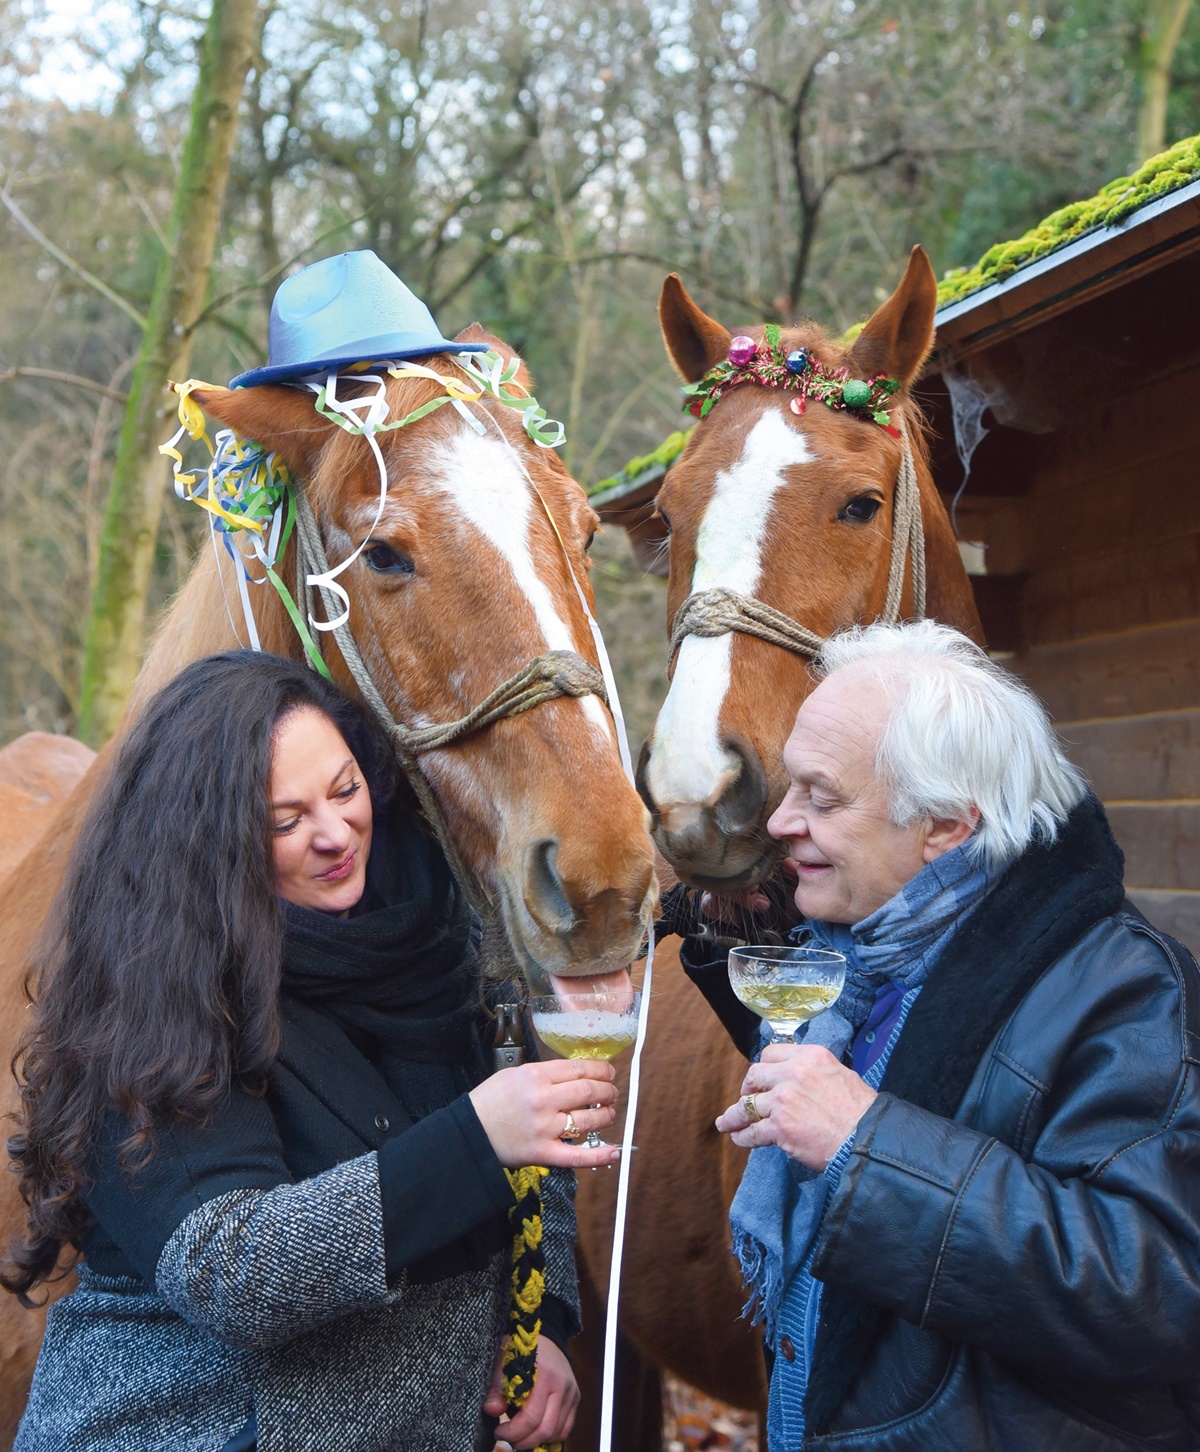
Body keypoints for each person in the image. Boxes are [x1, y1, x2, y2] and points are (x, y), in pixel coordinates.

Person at [4, 651, 620, 1452]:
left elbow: (527, 1141)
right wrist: (474, 1138)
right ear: (208, 841)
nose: (335, 835)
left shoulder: (444, 931)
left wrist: (537, 1328)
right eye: (284, 821)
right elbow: (228, 1270)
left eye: (345, 789)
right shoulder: (151, 1000)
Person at [684, 620, 1200, 1450]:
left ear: (947, 828)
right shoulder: (863, 954)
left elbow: (1156, 1291)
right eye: (790, 789)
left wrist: (863, 1144)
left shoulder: (1128, 991)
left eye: (822, 796)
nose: (780, 821)